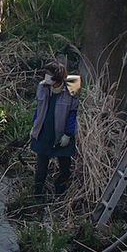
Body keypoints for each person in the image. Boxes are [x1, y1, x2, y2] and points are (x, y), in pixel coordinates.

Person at [30, 61, 79, 198]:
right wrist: (35, 126)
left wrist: (68, 134)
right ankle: (38, 195)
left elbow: (72, 114)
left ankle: (60, 194)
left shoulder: (71, 90)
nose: (46, 77)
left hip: (62, 133)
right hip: (45, 132)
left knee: (64, 168)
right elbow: (38, 109)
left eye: (49, 75)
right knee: (41, 168)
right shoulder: (43, 87)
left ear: (57, 77)